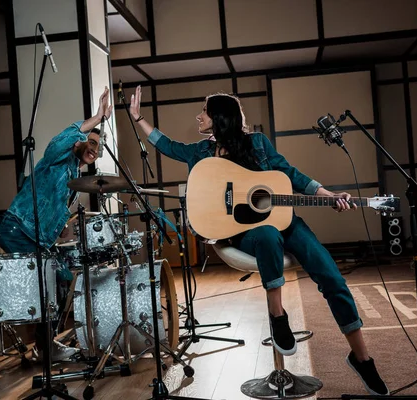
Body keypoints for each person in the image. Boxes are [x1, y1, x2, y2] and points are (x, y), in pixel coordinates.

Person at [128, 86, 389, 396]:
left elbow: (290, 174)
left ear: (220, 118)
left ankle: (362, 358)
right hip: (243, 231)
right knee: (265, 234)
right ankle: (278, 317)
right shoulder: (200, 153)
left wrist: (327, 195)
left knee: (332, 277)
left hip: (285, 221)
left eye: (204, 111)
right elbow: (166, 145)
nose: (198, 116)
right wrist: (138, 117)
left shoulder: (258, 144)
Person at [0, 87, 113, 361]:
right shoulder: (59, 158)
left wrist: (62, 228)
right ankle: (46, 348)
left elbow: (51, 210)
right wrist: (97, 117)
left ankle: (43, 345)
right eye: (91, 143)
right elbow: (61, 140)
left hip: (34, 237)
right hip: (16, 228)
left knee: (61, 278)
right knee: (51, 280)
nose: (95, 149)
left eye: (99, 147)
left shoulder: (73, 177)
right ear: (79, 143)